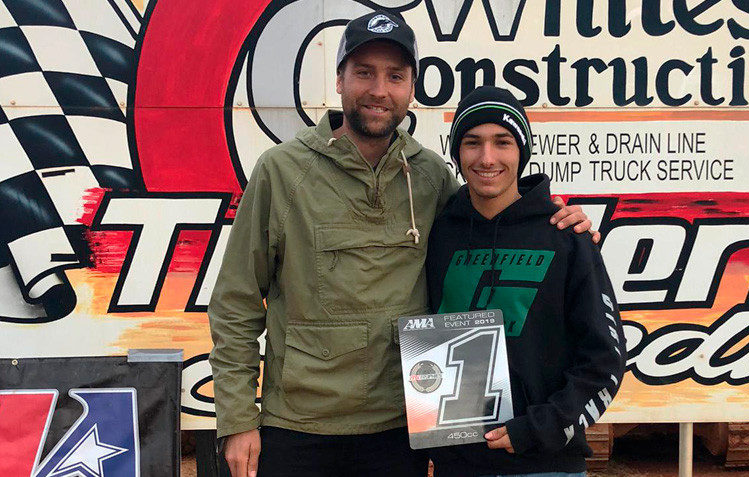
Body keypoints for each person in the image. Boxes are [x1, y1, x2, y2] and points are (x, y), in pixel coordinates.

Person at [207, 12, 596, 477]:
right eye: (364, 72)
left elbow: (492, 223)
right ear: (340, 79)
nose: (379, 90)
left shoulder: (431, 176)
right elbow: (235, 303)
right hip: (300, 428)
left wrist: (556, 219)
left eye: (395, 76)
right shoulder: (281, 172)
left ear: (412, 87)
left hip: (401, 430)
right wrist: (236, 419)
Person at [426, 86, 626, 477]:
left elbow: (604, 360)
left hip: (545, 464)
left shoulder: (566, 236)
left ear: (522, 151)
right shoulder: (438, 235)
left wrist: (539, 428)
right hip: (460, 465)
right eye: (472, 143)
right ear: (457, 153)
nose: (487, 158)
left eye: (502, 142)